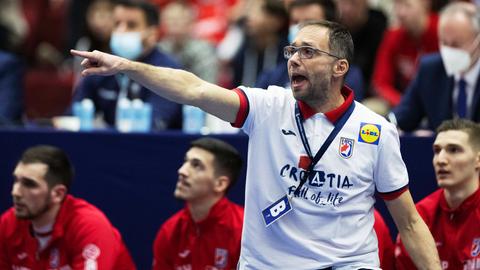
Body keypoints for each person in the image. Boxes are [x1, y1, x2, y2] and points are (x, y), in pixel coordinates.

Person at [71, 19, 441, 268]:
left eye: (308, 52)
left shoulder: (375, 130)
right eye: (291, 51)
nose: (294, 59)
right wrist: (129, 67)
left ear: (339, 68)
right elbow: (194, 88)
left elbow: (408, 222)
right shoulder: (266, 107)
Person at [0, 145, 136, 269]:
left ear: (58, 194)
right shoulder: (8, 224)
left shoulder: (89, 226)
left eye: (29, 184)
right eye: (16, 181)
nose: (15, 192)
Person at [71, 0, 182, 130]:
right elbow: (74, 114)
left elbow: (155, 123)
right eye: (117, 24)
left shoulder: (168, 70)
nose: (121, 31)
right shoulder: (101, 64)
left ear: (152, 34)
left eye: (131, 25)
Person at [394, 118, 480, 269]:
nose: (441, 160)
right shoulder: (418, 218)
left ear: (478, 159)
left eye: (454, 150)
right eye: (437, 150)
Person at [152, 137, 244, 270]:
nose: (182, 171)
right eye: (186, 162)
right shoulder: (170, 231)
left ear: (220, 184)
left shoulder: (244, 231)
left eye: (196, 165)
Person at [390, 2, 480, 132]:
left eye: (456, 44)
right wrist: (390, 125)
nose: (449, 50)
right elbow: (402, 115)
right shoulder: (430, 69)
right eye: (444, 42)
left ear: (477, 42)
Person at [255, 0, 365, 101]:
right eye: (295, 21)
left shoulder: (347, 76)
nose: (300, 28)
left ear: (330, 26)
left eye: (309, 22)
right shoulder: (272, 75)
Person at [372, 0, 439, 108]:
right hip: (404, 103)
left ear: (425, 3)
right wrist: (405, 104)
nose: (401, 13)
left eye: (407, 5)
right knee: (374, 107)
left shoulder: (441, 31)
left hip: (437, 103)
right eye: (397, 5)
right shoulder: (393, 36)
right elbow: (381, 83)